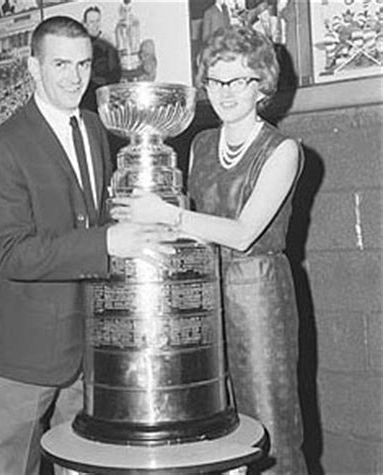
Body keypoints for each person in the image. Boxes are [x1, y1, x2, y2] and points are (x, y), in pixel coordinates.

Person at [0, 15, 170, 475]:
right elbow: (10, 252)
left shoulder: (92, 127)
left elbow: (97, 215)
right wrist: (107, 241)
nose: (74, 77)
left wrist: (144, 216)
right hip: (23, 354)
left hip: (87, 349)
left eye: (82, 64)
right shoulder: (2, 146)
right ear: (33, 67)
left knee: (85, 467)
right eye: (60, 64)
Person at [111, 26, 307, 474]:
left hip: (258, 294)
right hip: (202, 292)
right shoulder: (200, 144)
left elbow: (242, 233)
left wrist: (164, 213)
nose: (225, 92)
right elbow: (194, 231)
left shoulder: (283, 150)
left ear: (262, 85)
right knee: (213, 421)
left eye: (238, 80)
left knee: (270, 426)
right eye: (216, 81)